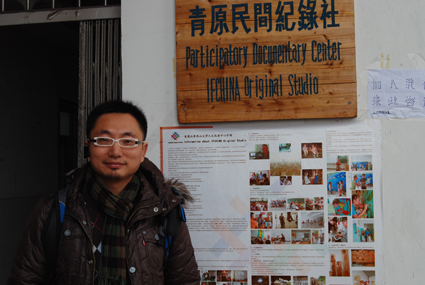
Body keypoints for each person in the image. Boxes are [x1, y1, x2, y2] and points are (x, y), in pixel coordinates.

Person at [8, 101, 200, 285]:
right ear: (88, 148)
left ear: (143, 151)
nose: (115, 151)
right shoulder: (55, 209)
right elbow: (24, 280)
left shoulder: (165, 210)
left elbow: (185, 281)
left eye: (128, 141)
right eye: (104, 140)